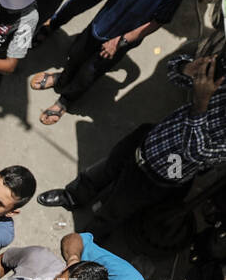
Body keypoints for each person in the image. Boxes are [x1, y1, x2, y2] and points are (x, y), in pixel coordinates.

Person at [35, 49, 226, 232]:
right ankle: (72, 196)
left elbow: (196, 153)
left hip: (170, 167)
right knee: (108, 165)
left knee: (120, 206)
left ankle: (90, 237)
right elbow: (173, 71)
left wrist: (201, 104)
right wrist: (188, 68)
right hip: (154, 136)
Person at [31, 0, 193, 126]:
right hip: (104, 21)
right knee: (77, 52)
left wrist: (121, 40)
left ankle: (66, 100)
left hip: (123, 36)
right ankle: (62, 79)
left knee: (90, 72)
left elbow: (157, 21)